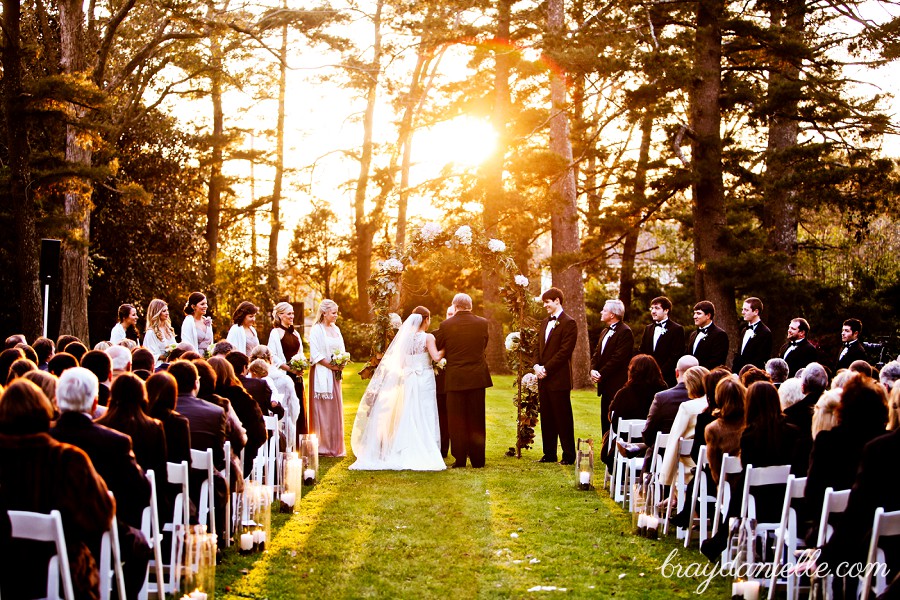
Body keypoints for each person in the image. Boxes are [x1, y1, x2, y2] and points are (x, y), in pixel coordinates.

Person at [0, 379, 114, 600]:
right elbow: (101, 515)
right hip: (62, 573)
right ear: (44, 411)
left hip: (8, 573)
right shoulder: (67, 458)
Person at [50, 367, 151, 597]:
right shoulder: (114, 442)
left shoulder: (43, 437)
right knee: (141, 546)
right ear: (95, 403)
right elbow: (142, 491)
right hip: (98, 530)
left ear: (57, 401)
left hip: (44, 534)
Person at [349, 307, 446, 471]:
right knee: (425, 411)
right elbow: (436, 356)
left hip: (409, 378)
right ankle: (426, 447)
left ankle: (404, 447)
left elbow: (399, 363)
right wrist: (446, 350)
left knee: (409, 411)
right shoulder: (428, 337)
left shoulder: (405, 339)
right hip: (424, 379)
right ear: (426, 319)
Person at [804, 375, 888, 546]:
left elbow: (812, 496)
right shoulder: (885, 445)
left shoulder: (827, 442)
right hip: (882, 534)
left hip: (836, 532)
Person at [166, 360, 228, 545]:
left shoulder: (158, 412)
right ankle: (221, 533)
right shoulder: (215, 412)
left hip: (164, 483)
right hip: (200, 478)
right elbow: (218, 456)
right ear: (196, 384)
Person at [434, 293, 493, 468]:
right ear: (470, 306)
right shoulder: (482, 323)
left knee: (456, 419)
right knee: (477, 419)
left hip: (455, 378)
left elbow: (440, 345)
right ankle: (478, 460)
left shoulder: (446, 325)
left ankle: (459, 459)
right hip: (476, 377)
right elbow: (483, 345)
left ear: (454, 306)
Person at [96, 373, 168, 504]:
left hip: (107, 497)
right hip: (142, 499)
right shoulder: (154, 427)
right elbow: (160, 471)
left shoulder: (100, 425)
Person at [532, 287, 578, 465]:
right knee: (547, 418)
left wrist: (546, 368)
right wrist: (536, 365)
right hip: (543, 377)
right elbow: (537, 346)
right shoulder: (544, 322)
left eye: (547, 302)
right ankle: (549, 453)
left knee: (563, 418)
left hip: (558, 379)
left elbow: (564, 352)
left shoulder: (569, 323)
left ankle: (568, 455)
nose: (545, 306)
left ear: (557, 300)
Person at [601, 354, 667, 471]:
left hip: (628, 446)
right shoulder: (664, 393)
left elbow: (616, 425)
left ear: (632, 372)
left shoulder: (624, 393)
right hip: (656, 447)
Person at [145, 371, 192, 521]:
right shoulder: (179, 423)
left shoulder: (141, 419)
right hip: (170, 491)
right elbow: (186, 461)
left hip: (144, 489)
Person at [658, 365, 710, 487]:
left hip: (688, 467)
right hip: (712, 466)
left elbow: (674, 440)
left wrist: (665, 477)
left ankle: (675, 496)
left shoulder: (687, 407)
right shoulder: (716, 404)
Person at [308, 299, 348, 457]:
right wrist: (330, 366)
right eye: (333, 313)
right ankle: (322, 446)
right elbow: (315, 353)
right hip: (322, 372)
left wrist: (341, 361)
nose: (336, 315)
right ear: (324, 313)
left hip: (334, 373)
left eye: (337, 312)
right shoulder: (317, 330)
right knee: (323, 410)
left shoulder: (336, 329)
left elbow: (342, 349)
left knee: (334, 410)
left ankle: (335, 445)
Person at [590, 299, 634, 435]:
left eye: (604, 310)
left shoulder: (625, 332)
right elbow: (597, 354)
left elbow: (618, 359)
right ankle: (605, 448)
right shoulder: (604, 331)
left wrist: (600, 373)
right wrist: (592, 369)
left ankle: (615, 450)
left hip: (617, 384)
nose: (601, 312)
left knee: (615, 418)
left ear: (612, 314)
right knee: (605, 417)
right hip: (605, 384)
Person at [266, 301, 308, 437]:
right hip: (284, 376)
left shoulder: (295, 333)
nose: (292, 316)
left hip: (297, 377)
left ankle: (299, 441)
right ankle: (287, 443)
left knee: (298, 407)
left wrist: (300, 365)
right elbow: (273, 356)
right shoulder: (275, 333)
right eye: (289, 313)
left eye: (293, 313)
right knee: (287, 409)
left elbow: (300, 352)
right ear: (280, 315)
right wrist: (290, 369)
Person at [638, 296, 686, 388]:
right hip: (647, 378)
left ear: (666, 310)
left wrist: (659, 372)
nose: (653, 311)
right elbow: (642, 351)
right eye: (651, 308)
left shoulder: (677, 329)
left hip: (667, 379)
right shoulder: (648, 329)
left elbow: (676, 355)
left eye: (657, 308)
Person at [434, 305, 455, 457]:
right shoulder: (435, 335)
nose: (451, 316)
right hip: (439, 383)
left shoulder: (463, 336)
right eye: (449, 313)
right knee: (441, 416)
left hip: (457, 381)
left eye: (454, 314)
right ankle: (442, 449)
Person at [732, 297, 773, 372]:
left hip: (754, 375)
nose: (743, 312)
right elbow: (739, 354)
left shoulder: (765, 333)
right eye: (742, 309)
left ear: (756, 312)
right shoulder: (744, 330)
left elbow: (761, 359)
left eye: (746, 310)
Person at [686, 301, 729, 370]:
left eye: (698, 313)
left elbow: (717, 362)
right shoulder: (693, 335)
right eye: (694, 313)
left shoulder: (719, 335)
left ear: (708, 316)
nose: (694, 317)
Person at [143, 298, 177, 367]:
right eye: (164, 311)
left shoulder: (169, 329)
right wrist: (167, 355)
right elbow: (151, 355)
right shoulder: (151, 333)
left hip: (172, 364)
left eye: (167, 310)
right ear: (157, 313)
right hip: (159, 366)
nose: (167, 313)